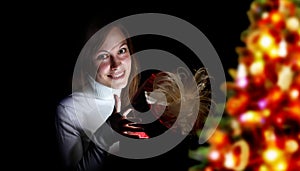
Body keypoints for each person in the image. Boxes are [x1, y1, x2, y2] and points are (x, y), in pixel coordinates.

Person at [55, 23, 147, 171]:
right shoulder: (68, 110)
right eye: (103, 56)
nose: (116, 64)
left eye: (122, 50)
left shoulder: (135, 95)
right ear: (86, 62)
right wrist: (107, 133)